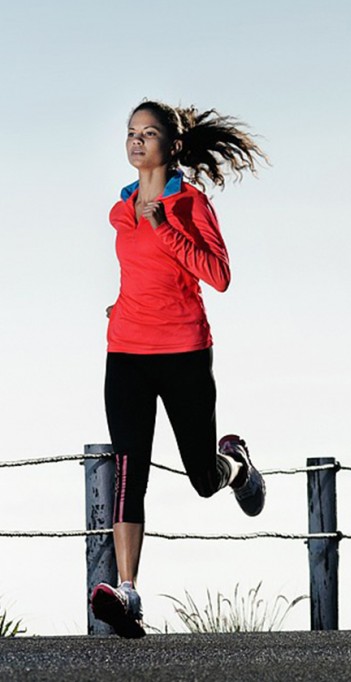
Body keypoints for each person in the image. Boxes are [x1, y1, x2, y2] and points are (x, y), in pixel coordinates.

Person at [89, 100, 269, 639]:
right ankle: (128, 593)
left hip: (185, 353)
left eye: (148, 133)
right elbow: (141, 274)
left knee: (200, 477)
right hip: (125, 352)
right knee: (129, 471)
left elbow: (219, 275)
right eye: (130, 132)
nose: (136, 140)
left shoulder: (190, 203)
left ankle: (234, 465)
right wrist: (119, 306)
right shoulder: (120, 209)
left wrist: (165, 225)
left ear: (171, 146)